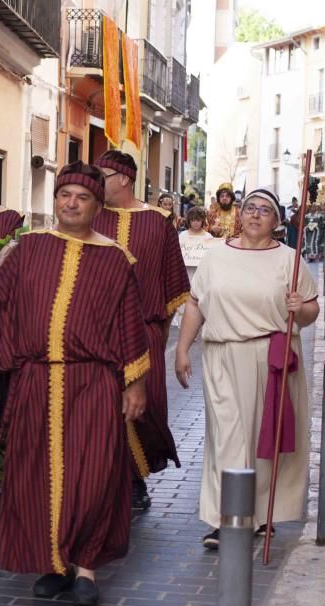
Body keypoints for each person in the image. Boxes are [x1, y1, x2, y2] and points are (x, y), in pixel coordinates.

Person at [0, 162, 149, 606]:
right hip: (35, 381)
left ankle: (85, 566)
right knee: (37, 474)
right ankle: (54, 563)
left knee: (92, 475)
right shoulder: (30, 247)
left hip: (92, 381)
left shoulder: (116, 259)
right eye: (64, 194)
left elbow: (131, 325)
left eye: (82, 197)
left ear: (98, 205)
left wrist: (135, 384)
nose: (70, 203)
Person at [174, 187, 319, 550]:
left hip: (272, 357)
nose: (255, 215)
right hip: (222, 354)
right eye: (250, 208)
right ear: (240, 214)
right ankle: (228, 517)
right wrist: (181, 349)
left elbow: (311, 313)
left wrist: (299, 307)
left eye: (265, 210)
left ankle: (258, 515)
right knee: (226, 438)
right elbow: (196, 304)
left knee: (262, 439)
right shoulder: (216, 256)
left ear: (277, 221)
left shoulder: (290, 259)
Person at [92, 150, 190, 511]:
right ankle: (109, 484)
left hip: (144, 331)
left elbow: (172, 283)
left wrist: (161, 338)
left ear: (124, 179)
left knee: (141, 410)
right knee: (100, 409)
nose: (95, 182)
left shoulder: (159, 222)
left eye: (102, 175)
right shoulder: (91, 216)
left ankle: (135, 481)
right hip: (97, 333)